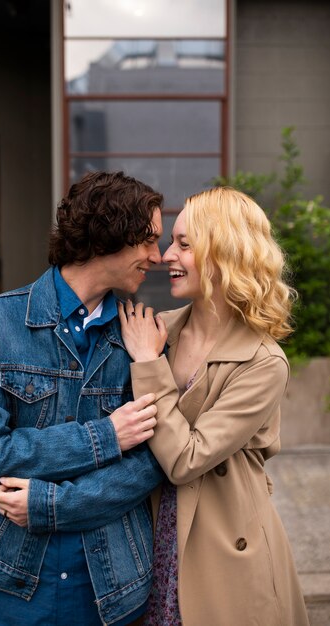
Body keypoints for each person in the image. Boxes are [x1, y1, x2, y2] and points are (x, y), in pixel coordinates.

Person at [0, 170, 165, 626]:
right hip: (3, 585)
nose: (158, 256)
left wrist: (51, 506)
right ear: (109, 234)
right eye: (148, 240)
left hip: (109, 591)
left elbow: (152, 463)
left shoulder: (142, 339)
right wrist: (106, 436)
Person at [118, 186, 310, 625]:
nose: (167, 254)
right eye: (171, 242)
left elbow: (187, 459)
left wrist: (148, 364)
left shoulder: (263, 362)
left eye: (185, 244)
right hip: (150, 534)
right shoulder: (160, 329)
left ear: (225, 253)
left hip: (225, 546)